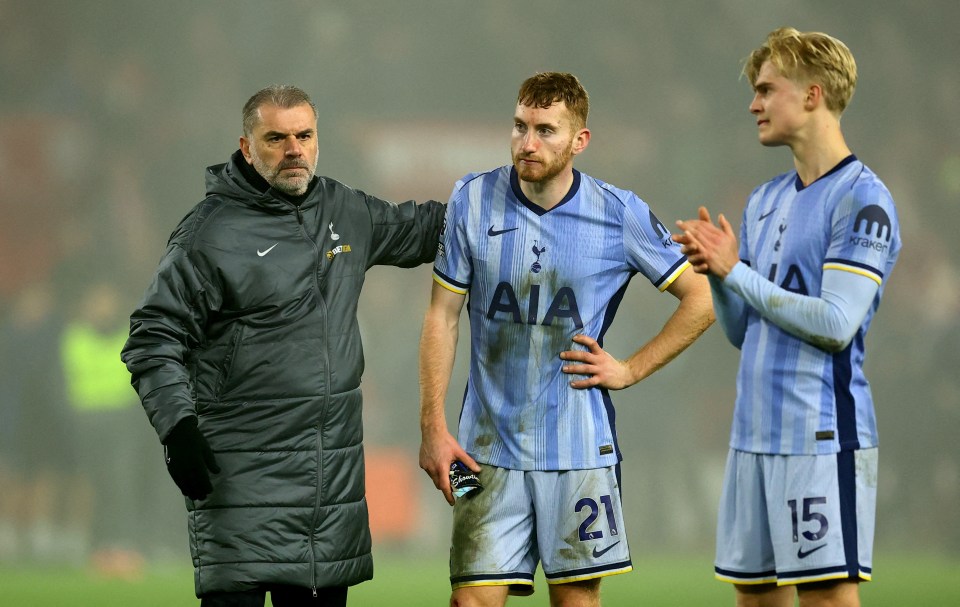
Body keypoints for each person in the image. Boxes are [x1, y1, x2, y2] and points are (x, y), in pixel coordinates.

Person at [121, 85, 445, 607]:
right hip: (241, 483)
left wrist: (512, 195)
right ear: (247, 147)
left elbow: (430, 228)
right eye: (276, 138)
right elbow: (152, 336)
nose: (294, 149)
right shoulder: (210, 234)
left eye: (304, 135)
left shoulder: (346, 210)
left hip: (326, 494)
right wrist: (177, 426)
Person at [418, 72, 714, 607]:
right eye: (519, 126)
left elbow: (703, 299)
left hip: (581, 453)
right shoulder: (470, 198)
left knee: (576, 602)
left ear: (580, 141)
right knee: (466, 600)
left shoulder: (618, 213)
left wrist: (630, 370)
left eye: (546, 130)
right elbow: (443, 315)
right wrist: (433, 427)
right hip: (480, 450)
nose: (527, 143)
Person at [672, 28, 901, 607]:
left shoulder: (863, 199)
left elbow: (834, 324)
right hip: (752, 436)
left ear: (812, 94)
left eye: (766, 89)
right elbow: (741, 333)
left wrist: (737, 271)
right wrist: (718, 276)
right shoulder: (764, 199)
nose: (753, 103)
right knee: (754, 599)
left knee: (824, 598)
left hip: (821, 435)